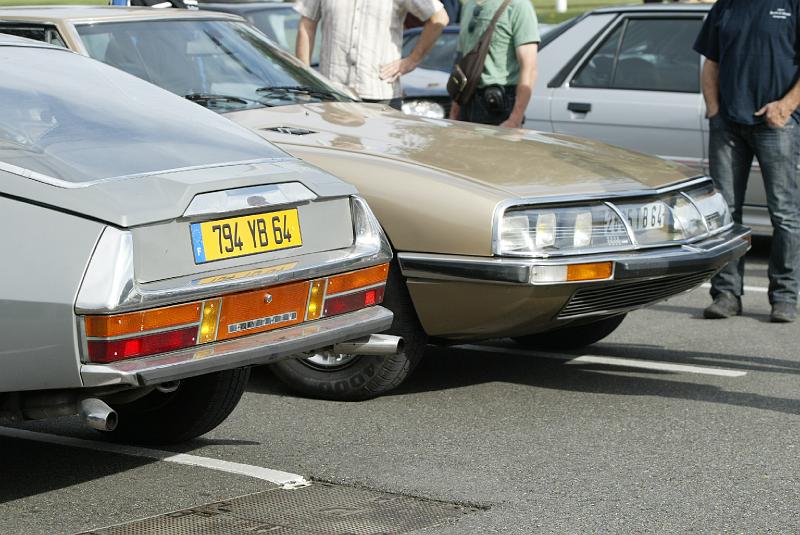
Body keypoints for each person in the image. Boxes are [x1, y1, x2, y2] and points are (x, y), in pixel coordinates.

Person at [694, 0, 800, 323]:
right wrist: (714, 112)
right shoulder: (726, 6)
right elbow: (710, 62)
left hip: (776, 124)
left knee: (784, 214)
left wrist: (785, 106)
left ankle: (784, 296)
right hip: (728, 126)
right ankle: (726, 294)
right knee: (725, 214)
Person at [294, 0, 449, 108]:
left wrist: (412, 61)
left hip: (379, 93)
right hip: (332, 92)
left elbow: (439, 18)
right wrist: (304, 79)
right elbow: (306, 25)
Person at [449, 0, 539, 128]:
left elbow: (529, 68)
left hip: (499, 106)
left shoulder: (518, 6)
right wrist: (455, 111)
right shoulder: (469, 5)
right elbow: (461, 63)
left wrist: (515, 119)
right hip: (466, 100)